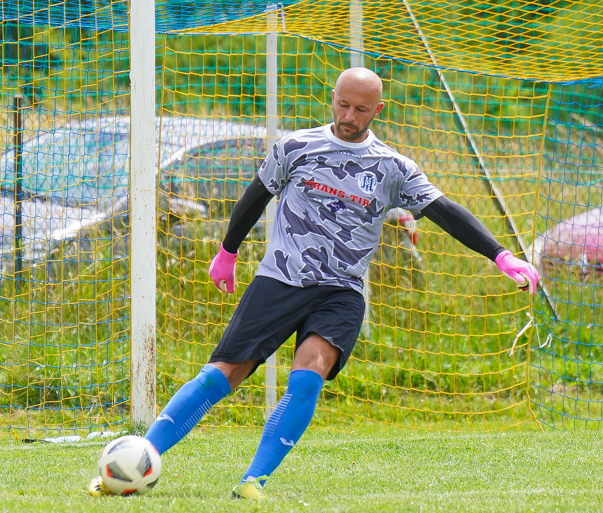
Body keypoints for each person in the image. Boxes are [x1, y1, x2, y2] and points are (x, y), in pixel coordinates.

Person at [88, 67, 539, 500]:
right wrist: (227, 252)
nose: (348, 117)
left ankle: (254, 481)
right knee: (221, 376)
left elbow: (444, 209)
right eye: (343, 105)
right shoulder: (297, 147)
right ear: (332, 99)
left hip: (341, 292)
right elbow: (255, 194)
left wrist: (500, 255)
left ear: (378, 110)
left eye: (360, 110)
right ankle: (138, 461)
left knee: (308, 378)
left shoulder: (392, 167)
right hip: (279, 280)